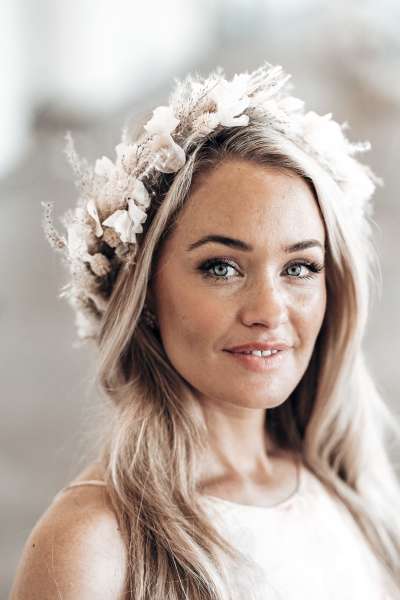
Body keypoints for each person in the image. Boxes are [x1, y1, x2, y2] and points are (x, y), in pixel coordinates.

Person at [10, 62, 400, 599]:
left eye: (299, 267)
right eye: (222, 267)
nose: (269, 309)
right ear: (146, 293)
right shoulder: (93, 544)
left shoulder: (359, 499)